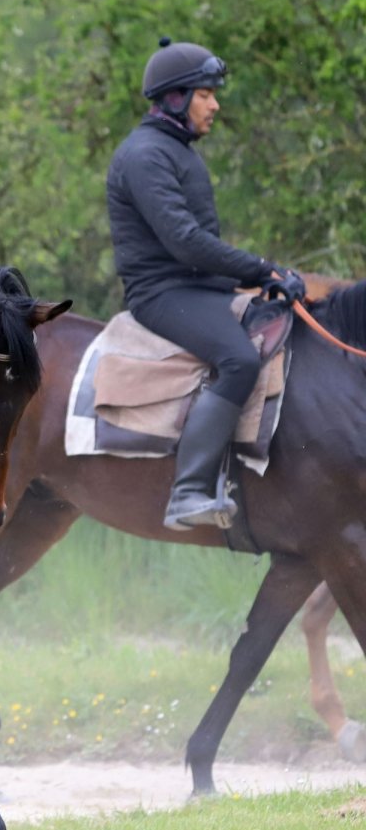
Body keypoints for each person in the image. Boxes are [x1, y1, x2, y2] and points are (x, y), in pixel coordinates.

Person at [106, 38, 304, 531]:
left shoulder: (176, 151)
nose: (214, 105)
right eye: (205, 94)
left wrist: (263, 279)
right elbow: (186, 243)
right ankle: (189, 492)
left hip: (198, 287)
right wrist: (262, 269)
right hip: (162, 294)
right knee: (238, 359)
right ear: (176, 99)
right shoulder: (145, 156)